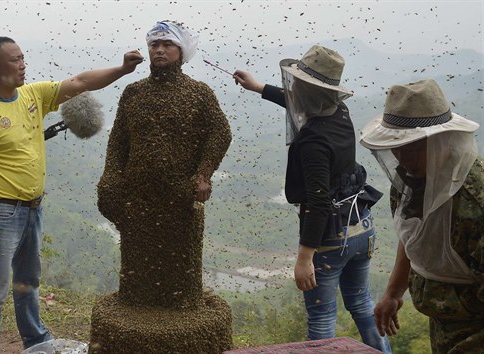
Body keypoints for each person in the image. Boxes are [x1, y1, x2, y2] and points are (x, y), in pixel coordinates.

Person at [0, 36, 143, 354]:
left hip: (33, 209)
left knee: (28, 283)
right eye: (15, 59)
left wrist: (123, 69)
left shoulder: (33, 95)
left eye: (23, 57)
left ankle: (34, 341)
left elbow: (80, 82)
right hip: (1, 213)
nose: (23, 64)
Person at [233, 45, 391, 352]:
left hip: (330, 237)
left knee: (321, 319)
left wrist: (305, 258)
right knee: (361, 304)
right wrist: (258, 88)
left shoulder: (313, 141)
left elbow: (318, 203)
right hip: (362, 225)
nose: (294, 90)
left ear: (307, 89)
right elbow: (297, 104)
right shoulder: (338, 111)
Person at [96, 20, 232, 309]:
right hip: (138, 198)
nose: (159, 50)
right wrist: (109, 179)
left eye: (167, 44)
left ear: (181, 51)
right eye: (154, 44)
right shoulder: (133, 93)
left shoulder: (199, 93)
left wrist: (203, 174)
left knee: (181, 279)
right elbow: (118, 142)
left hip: (181, 198)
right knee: (137, 275)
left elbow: (220, 133)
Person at [360, 79, 483, 353]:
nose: (402, 158)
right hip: (443, 325)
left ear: (443, 139)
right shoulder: (410, 181)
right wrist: (393, 292)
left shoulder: (476, 203)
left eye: (414, 147)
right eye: (397, 145)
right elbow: (415, 233)